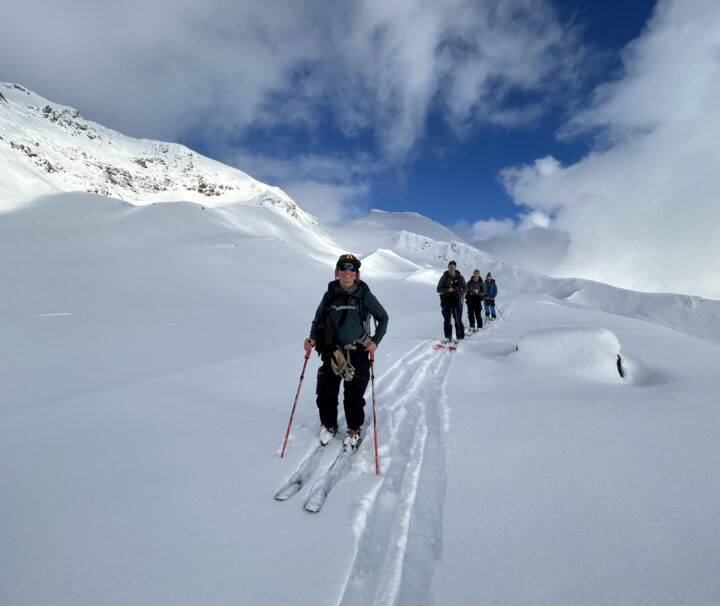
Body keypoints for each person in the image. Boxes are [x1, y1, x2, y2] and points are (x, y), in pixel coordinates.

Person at [304, 254, 389, 451]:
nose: (347, 271)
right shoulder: (329, 296)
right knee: (325, 393)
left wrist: (375, 341)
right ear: (337, 271)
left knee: (354, 396)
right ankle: (329, 425)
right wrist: (312, 338)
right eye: (343, 267)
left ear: (356, 274)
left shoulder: (364, 296)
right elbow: (317, 321)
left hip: (358, 351)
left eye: (352, 268)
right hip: (332, 352)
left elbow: (383, 318)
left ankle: (353, 429)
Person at [436, 260, 466, 342]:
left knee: (458, 318)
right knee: (447, 319)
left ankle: (460, 337)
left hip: (457, 299)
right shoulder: (444, 277)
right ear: (448, 267)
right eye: (450, 266)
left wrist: (460, 294)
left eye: (453, 266)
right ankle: (447, 337)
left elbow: (465, 288)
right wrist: (448, 289)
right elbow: (438, 289)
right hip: (446, 299)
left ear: (455, 267)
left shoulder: (460, 277)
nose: (451, 268)